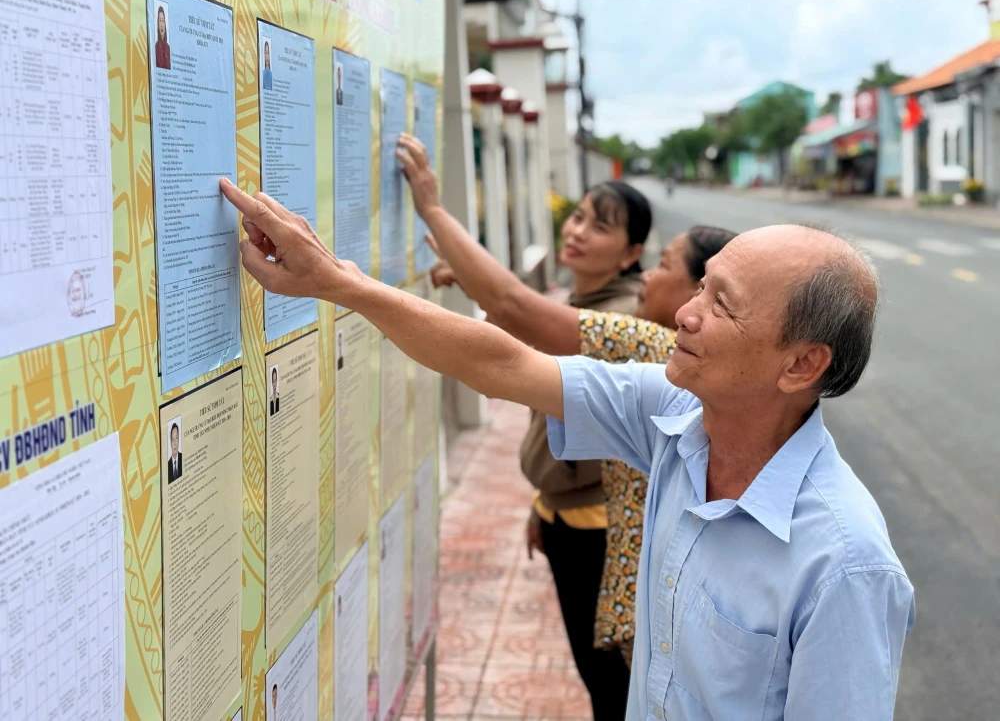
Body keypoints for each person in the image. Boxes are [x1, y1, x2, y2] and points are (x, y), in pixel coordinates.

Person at [219, 176, 915, 720]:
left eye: (723, 305)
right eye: (700, 285)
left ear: (801, 365)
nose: (685, 313)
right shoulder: (675, 413)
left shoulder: (844, 567)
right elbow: (501, 361)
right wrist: (337, 284)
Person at [396, 134, 735, 669]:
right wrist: (548, 503)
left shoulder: (646, 336)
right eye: (577, 217)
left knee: (612, 686)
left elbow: (513, 314)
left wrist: (429, 214)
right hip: (589, 539)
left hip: (606, 550)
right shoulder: (625, 322)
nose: (649, 274)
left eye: (662, 264)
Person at [155, 6, 170, 70]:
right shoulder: (157, 46)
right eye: (160, 20)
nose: (161, 24)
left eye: (163, 21)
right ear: (157, 24)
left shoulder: (167, 47)